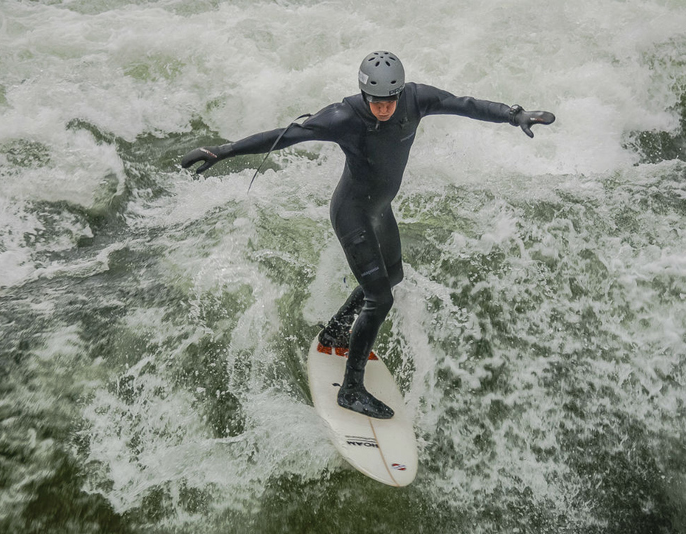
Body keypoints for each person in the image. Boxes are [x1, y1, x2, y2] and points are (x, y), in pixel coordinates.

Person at [181, 51, 555, 420]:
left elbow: (464, 104)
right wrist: (222, 151)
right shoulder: (343, 117)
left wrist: (513, 114)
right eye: (375, 101)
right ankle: (351, 390)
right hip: (353, 212)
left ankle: (334, 335)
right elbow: (286, 136)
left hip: (380, 210)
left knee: (393, 277)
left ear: (400, 92)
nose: (383, 109)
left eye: (389, 100)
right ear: (364, 95)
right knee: (380, 298)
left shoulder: (416, 99)